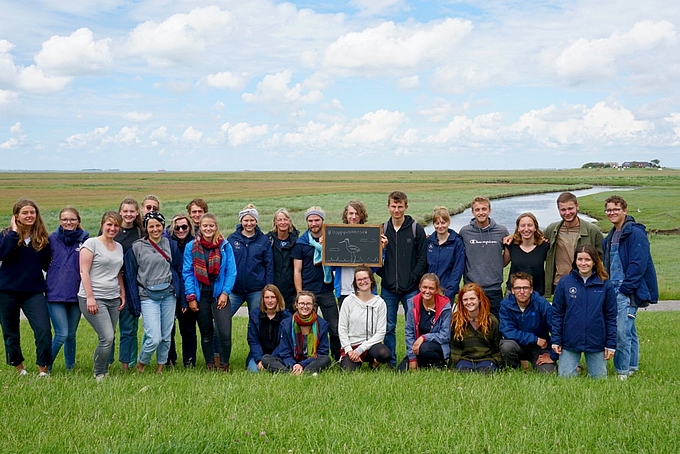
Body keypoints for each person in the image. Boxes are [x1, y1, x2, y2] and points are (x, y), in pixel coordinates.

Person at [602, 195, 658, 380]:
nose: (612, 213)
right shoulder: (610, 236)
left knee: (621, 331)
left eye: (616, 209)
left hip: (626, 289)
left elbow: (638, 264)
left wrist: (626, 289)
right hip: (613, 287)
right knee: (630, 330)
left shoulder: (635, 232)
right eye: (609, 210)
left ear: (624, 210)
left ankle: (622, 372)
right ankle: (632, 366)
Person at [125, 212, 183, 374]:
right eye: (151, 226)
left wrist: (182, 297)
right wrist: (134, 301)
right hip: (147, 296)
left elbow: (178, 270)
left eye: (158, 225)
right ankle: (141, 363)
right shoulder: (137, 247)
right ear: (146, 228)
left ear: (163, 226)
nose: (155, 229)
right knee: (154, 337)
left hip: (169, 294)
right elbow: (130, 274)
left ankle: (160, 368)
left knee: (166, 336)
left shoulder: (171, 245)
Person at [0, 199, 53, 377]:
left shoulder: (42, 239)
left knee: (44, 330)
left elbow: (47, 265)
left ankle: (43, 370)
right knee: (11, 332)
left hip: (34, 292)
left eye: (32, 212)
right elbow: (2, 254)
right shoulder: (6, 236)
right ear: (16, 217)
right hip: (7, 292)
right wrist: (14, 233)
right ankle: (19, 368)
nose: (29, 216)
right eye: (25, 213)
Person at [377, 191, 427, 367]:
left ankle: (411, 359)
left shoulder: (416, 229)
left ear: (406, 206)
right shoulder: (382, 229)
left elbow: (422, 259)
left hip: (411, 288)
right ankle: (390, 361)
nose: (396, 210)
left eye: (400, 206)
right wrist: (385, 276)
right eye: (393, 206)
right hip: (388, 288)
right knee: (388, 326)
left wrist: (413, 278)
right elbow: (375, 259)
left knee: (412, 326)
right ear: (388, 206)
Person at [551, 244, 616, 378]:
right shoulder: (565, 283)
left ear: (594, 262)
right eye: (580, 259)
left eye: (587, 259)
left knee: (600, 380)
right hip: (570, 340)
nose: (583, 263)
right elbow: (557, 313)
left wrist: (610, 344)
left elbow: (610, 317)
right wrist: (556, 339)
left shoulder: (605, 284)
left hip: (596, 340)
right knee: (565, 379)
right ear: (575, 261)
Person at [183, 213, 236, 372]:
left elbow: (231, 271)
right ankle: (210, 364)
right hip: (201, 295)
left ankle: (224, 365)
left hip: (220, 295)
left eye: (211, 226)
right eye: (205, 226)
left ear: (216, 226)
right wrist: (191, 296)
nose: (208, 229)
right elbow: (187, 272)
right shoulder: (191, 246)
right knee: (206, 333)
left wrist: (225, 292)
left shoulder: (225, 246)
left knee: (225, 333)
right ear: (200, 227)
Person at [78, 211, 126, 380]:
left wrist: (123, 293)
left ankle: (104, 370)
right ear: (102, 225)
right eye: (109, 225)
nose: (112, 228)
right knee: (107, 336)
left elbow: (118, 272)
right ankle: (99, 373)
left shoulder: (118, 247)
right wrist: (90, 297)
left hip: (113, 297)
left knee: (109, 337)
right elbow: (84, 272)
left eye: (116, 226)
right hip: (93, 297)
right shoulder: (91, 244)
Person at [292, 206, 340, 360]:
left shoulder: (331, 240)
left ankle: (337, 357)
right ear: (307, 222)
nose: (314, 223)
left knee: (334, 327)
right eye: (310, 220)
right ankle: (306, 356)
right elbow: (297, 270)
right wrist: (300, 294)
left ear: (322, 221)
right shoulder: (302, 243)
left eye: (317, 220)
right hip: (308, 292)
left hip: (326, 290)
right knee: (307, 326)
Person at [46, 206, 89, 372]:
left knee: (71, 334)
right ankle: (45, 366)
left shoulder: (86, 240)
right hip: (55, 294)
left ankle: (70, 368)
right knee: (61, 333)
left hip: (76, 293)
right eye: (65, 219)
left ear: (78, 221)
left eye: (72, 219)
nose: (68, 222)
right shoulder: (51, 239)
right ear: (60, 221)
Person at [544, 192, 603, 296]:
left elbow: (603, 258)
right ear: (558, 210)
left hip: (585, 282)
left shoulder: (592, 230)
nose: (567, 213)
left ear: (577, 206)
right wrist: (512, 237)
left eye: (570, 208)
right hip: (559, 283)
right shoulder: (552, 229)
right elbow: (532, 240)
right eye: (563, 210)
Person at [459, 196, 509, 316]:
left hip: (494, 289)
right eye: (477, 210)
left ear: (489, 210)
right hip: (471, 289)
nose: (481, 213)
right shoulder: (465, 232)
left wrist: (496, 265)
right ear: (472, 212)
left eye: (484, 209)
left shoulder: (501, 231)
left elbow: (507, 255)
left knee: (495, 325)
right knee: (471, 326)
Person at [261, 291, 331, 374]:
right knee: (266, 358)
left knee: (325, 359)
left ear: (313, 306)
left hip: (311, 361)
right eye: (301, 303)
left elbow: (323, 352)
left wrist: (301, 365)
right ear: (296, 305)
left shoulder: (322, 324)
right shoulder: (286, 324)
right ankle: (289, 372)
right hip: (291, 360)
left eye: (308, 304)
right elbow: (285, 352)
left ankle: (304, 371)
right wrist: (293, 365)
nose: (305, 307)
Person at [499, 272, 556, 373]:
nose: (522, 291)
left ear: (531, 290)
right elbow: (507, 331)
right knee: (506, 346)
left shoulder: (541, 303)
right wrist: (534, 339)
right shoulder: (505, 305)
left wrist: (552, 355)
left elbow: (556, 328)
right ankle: (515, 369)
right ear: (512, 290)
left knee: (549, 372)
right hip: (517, 345)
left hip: (539, 348)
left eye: (525, 288)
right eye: (517, 288)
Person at [338, 267, 390, 371]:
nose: (363, 282)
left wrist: (361, 350)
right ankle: (350, 360)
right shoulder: (348, 301)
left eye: (365, 278)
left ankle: (373, 364)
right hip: (352, 346)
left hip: (371, 345)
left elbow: (381, 332)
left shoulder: (380, 303)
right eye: (359, 280)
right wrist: (349, 350)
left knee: (385, 354)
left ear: (371, 280)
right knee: (347, 370)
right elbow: (342, 328)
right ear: (355, 282)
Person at [228, 204, 274, 316]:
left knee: (256, 322)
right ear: (241, 221)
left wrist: (268, 288)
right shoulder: (232, 239)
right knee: (221, 320)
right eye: (246, 220)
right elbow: (226, 264)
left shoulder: (263, 240)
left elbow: (269, 266)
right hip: (234, 290)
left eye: (252, 220)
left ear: (256, 221)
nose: (249, 224)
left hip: (256, 290)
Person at [399, 273, 452, 371]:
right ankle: (424, 364)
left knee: (425, 348)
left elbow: (445, 335)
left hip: (436, 345)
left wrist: (423, 338)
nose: (427, 291)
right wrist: (412, 358)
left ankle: (439, 362)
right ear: (419, 287)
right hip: (417, 347)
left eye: (431, 288)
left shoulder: (445, 306)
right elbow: (409, 332)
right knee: (401, 369)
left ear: (436, 290)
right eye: (424, 287)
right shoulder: (412, 303)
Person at [115, 197, 144, 371]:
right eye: (125, 211)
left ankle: (129, 363)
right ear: (120, 212)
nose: (128, 214)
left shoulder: (141, 232)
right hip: (112, 282)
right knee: (110, 329)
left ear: (137, 213)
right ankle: (107, 361)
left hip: (133, 282)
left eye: (132, 211)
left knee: (130, 326)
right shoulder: (113, 230)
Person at [167, 214, 198, 368]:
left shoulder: (194, 244)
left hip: (188, 292)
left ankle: (189, 361)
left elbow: (188, 272)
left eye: (184, 227)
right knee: (169, 329)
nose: (180, 230)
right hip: (170, 291)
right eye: (177, 227)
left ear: (189, 227)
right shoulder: (168, 244)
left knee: (188, 330)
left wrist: (186, 298)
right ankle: (169, 360)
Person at [449, 283, 501, 373]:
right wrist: (453, 364)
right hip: (465, 358)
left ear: (479, 299)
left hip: (487, 358)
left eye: (472, 298)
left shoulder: (491, 320)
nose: (469, 302)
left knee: (485, 372)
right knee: (464, 372)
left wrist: (498, 362)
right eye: (465, 300)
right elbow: (455, 346)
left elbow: (496, 345)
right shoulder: (456, 321)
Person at [246, 284, 291, 372]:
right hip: (259, 355)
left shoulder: (286, 317)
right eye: (267, 297)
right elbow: (253, 340)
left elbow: (285, 342)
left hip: (279, 355)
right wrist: (259, 360)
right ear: (262, 299)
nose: (270, 301)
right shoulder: (255, 315)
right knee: (254, 370)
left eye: (273, 297)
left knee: (282, 368)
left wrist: (270, 360)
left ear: (278, 298)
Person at [503, 213, 550, 296]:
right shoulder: (511, 245)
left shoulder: (544, 246)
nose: (526, 229)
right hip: (514, 293)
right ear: (518, 228)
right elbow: (502, 263)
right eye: (522, 225)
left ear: (535, 227)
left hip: (536, 293)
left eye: (530, 225)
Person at [426, 206, 465, 302]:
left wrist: (448, 293)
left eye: (443, 223)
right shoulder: (428, 242)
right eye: (437, 223)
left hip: (446, 291)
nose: (440, 226)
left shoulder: (457, 242)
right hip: (428, 291)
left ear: (448, 222)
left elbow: (458, 269)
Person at [267, 208, 299, 313]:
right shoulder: (268, 240)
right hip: (273, 286)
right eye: (279, 220)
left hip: (291, 288)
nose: (282, 222)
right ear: (275, 222)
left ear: (290, 221)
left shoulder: (297, 241)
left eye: (285, 219)